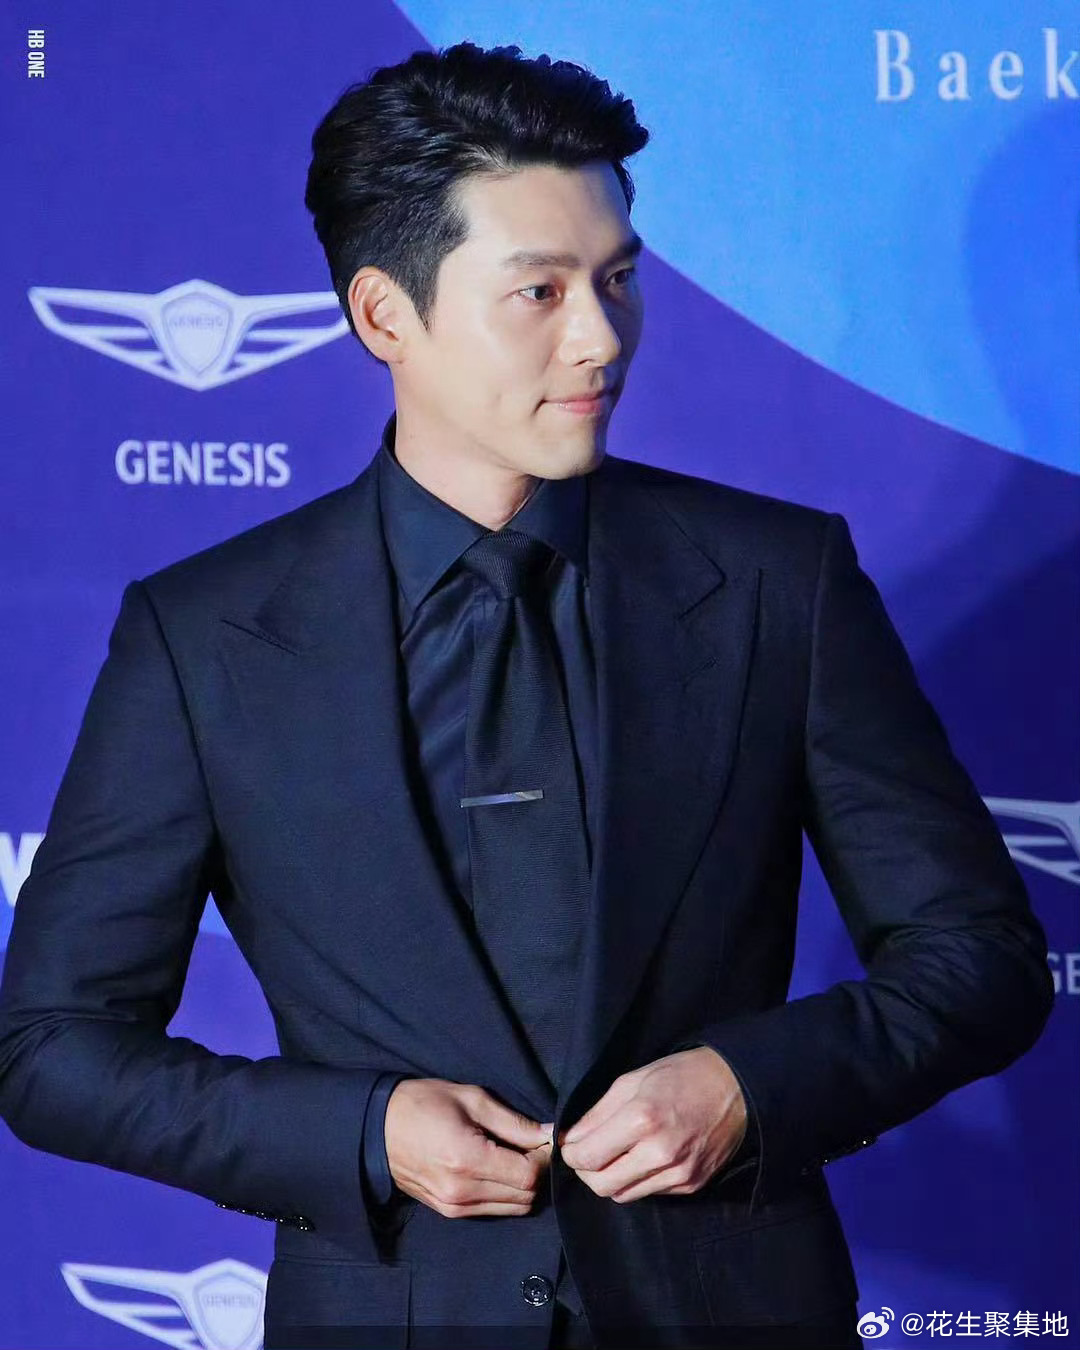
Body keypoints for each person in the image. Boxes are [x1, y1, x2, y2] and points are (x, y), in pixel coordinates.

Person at [0, 41, 1054, 1350]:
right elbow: (53, 1047)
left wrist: (751, 1084)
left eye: (619, 279)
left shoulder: (779, 581)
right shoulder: (205, 636)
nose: (602, 338)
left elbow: (980, 957)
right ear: (384, 315)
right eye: (540, 292)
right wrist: (363, 1131)